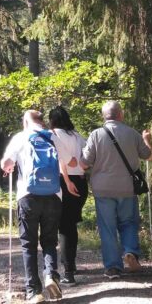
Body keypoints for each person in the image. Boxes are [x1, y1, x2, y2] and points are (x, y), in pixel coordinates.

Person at [81, 100, 152, 279]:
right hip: (127, 188)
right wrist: (147, 140)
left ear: (104, 116)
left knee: (107, 228)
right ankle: (130, 252)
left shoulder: (96, 135)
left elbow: (84, 162)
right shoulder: (133, 134)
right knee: (128, 222)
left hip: (103, 189)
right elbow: (149, 156)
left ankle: (113, 268)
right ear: (121, 115)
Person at [1, 109, 63, 304]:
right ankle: (51, 276)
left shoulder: (21, 137)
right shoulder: (53, 136)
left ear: (25, 122)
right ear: (41, 121)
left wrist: (9, 167)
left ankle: (33, 291)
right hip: (53, 195)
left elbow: (6, 163)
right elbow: (70, 161)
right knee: (49, 240)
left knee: (29, 243)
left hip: (28, 195)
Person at [48, 105, 88, 285]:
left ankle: (68, 272)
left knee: (63, 227)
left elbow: (63, 160)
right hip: (81, 181)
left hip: (63, 181)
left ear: (52, 120)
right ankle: (71, 265)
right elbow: (87, 158)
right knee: (70, 226)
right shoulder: (78, 135)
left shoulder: (53, 135)